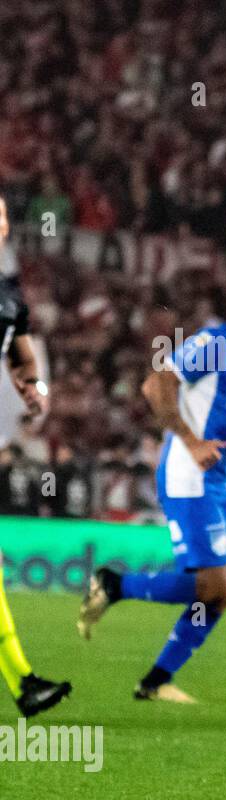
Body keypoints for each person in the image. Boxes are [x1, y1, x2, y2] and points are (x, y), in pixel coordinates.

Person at [77, 270, 226, 701]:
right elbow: (155, 384)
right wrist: (191, 441)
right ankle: (116, 585)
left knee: (224, 593)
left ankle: (154, 682)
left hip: (218, 475)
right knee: (215, 586)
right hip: (186, 468)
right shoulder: (217, 342)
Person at [0, 195, 72, 716]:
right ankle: (23, 682)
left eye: (2, 214)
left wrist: (34, 386)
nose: (1, 222)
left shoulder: (9, 298)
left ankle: (24, 682)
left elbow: (20, 351)